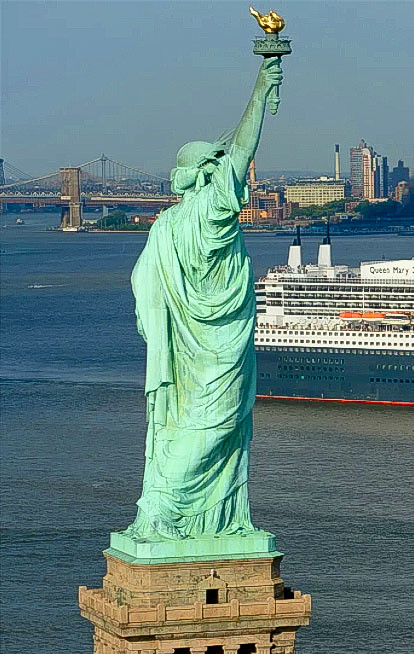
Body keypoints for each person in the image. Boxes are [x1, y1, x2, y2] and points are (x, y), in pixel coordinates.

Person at [123, 58, 283, 541]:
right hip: (218, 347)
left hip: (183, 343)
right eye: (216, 167)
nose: (229, 173)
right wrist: (262, 85)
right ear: (202, 175)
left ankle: (178, 510)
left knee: (184, 425)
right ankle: (166, 507)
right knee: (216, 425)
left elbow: (141, 286)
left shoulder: (165, 227)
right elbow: (243, 147)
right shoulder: (210, 214)